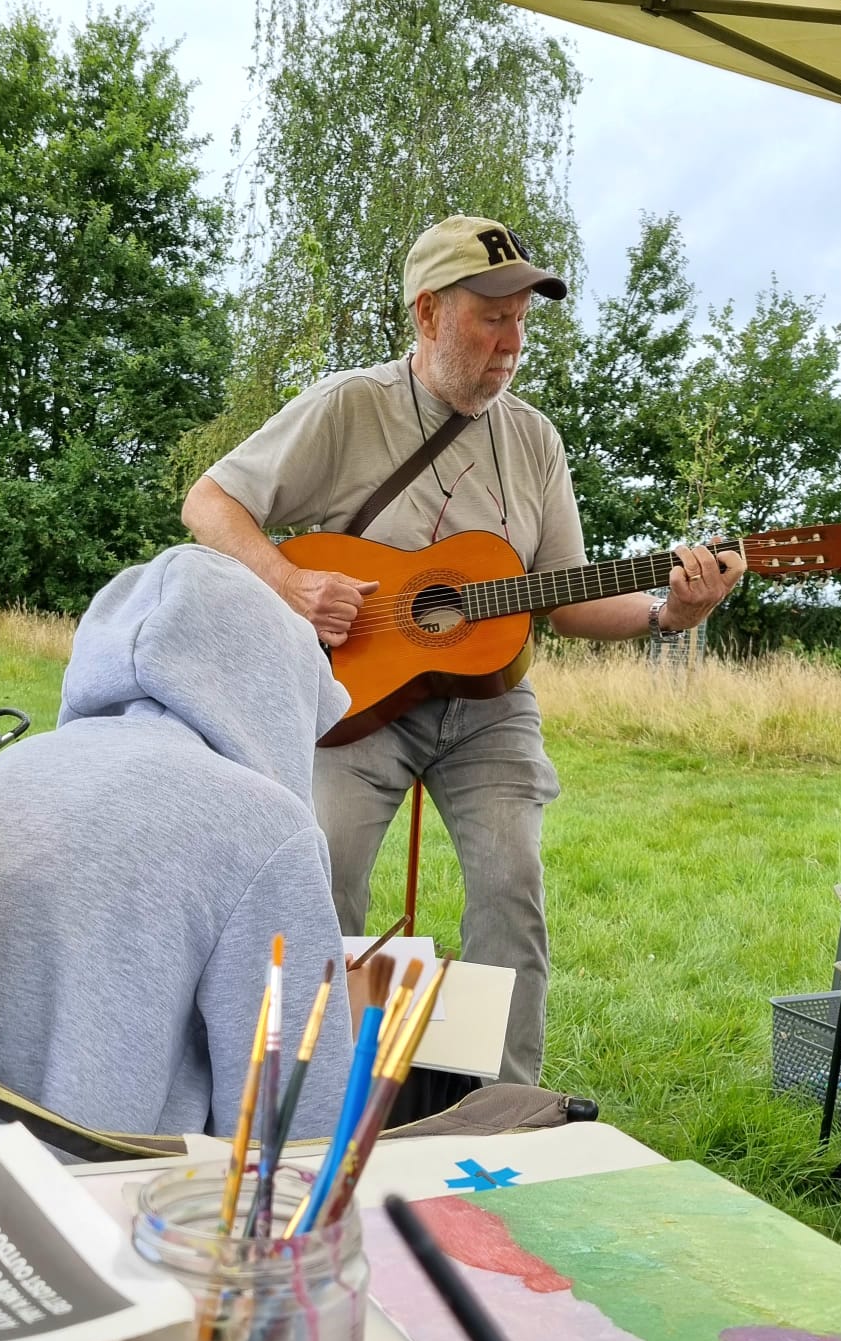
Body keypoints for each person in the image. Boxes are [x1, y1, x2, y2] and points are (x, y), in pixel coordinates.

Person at [182, 213, 744, 1084]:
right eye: (491, 319)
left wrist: (669, 614)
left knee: (512, 887)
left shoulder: (535, 440)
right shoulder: (349, 407)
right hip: (353, 700)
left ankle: (505, 1105)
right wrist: (290, 585)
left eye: (522, 320)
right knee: (319, 868)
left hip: (491, 709)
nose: (512, 343)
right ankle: (304, 1092)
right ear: (428, 315)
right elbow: (209, 504)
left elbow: (566, 598)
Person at [0, 545, 354, 1147]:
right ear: (271, 689)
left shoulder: (10, 769)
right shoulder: (267, 827)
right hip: (106, 1198)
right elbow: (299, 1129)